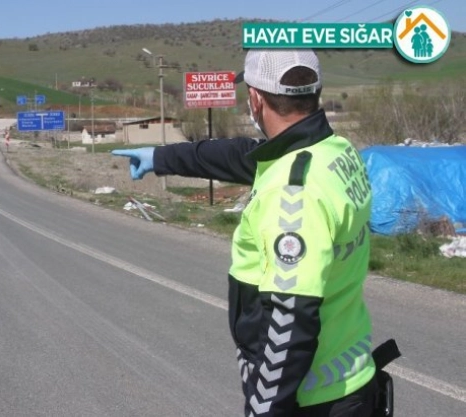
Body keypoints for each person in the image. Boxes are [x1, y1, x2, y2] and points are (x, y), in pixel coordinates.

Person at [112, 49, 385, 416]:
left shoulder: (293, 193)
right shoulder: (331, 151)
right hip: (350, 372)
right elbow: (239, 154)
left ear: (255, 99)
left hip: (310, 398)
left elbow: (290, 319)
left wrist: (264, 407)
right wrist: (160, 158)